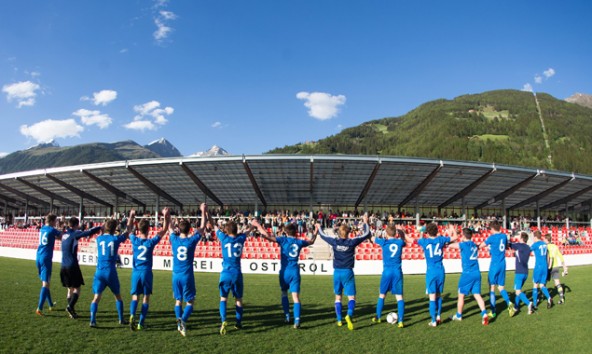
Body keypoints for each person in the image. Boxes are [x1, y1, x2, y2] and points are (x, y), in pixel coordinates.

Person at [257, 220, 317, 329]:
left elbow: (269, 237)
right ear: (296, 233)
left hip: (284, 271)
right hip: (295, 271)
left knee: (284, 293)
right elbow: (312, 241)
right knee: (296, 297)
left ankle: (287, 316)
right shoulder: (299, 242)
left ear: (285, 232)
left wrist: (259, 229)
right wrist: (316, 230)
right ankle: (297, 320)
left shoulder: (283, 240)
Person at [318, 214, 371, 330]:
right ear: (348, 233)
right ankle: (349, 315)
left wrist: (319, 226)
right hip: (348, 272)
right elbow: (366, 234)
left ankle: (339, 320)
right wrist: (366, 222)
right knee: (351, 297)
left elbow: (322, 235)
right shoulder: (351, 242)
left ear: (339, 232)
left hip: (337, 272)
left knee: (338, 297)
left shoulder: (334, 242)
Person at [214, 214, 258, 335]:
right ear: (236, 230)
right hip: (237, 273)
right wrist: (253, 224)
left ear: (227, 231)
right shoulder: (241, 238)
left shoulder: (223, 238)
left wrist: (207, 214)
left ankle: (224, 320)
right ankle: (238, 323)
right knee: (238, 300)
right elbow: (249, 230)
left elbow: (215, 228)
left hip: (225, 273)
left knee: (223, 298)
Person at [89, 211, 135, 327]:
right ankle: (121, 319)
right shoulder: (115, 239)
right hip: (110, 271)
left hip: (99, 271)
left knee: (96, 297)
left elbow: (103, 230)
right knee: (117, 296)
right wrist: (130, 217)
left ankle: (93, 320)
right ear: (115, 229)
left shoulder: (99, 239)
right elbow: (128, 230)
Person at [128, 208, 171, 331]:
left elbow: (129, 229)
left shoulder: (134, 240)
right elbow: (164, 230)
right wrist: (165, 216)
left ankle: (132, 315)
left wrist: (131, 216)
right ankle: (141, 323)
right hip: (146, 272)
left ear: (139, 229)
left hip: (136, 272)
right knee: (146, 298)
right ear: (148, 229)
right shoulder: (150, 242)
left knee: (135, 297)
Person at [170, 203, 207, 337]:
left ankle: (179, 321)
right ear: (190, 229)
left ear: (179, 229)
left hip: (175, 276)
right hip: (187, 276)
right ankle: (182, 321)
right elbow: (202, 228)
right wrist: (203, 211)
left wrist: (167, 216)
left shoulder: (173, 239)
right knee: (190, 301)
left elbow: (169, 228)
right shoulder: (191, 241)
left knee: (178, 301)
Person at [371, 224, 413, 328]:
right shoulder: (400, 242)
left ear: (386, 232)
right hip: (397, 272)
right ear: (396, 233)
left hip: (387, 272)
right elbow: (405, 240)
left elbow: (371, 238)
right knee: (399, 297)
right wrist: (401, 231)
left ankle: (378, 317)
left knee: (382, 295)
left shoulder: (383, 242)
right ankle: (401, 321)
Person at [60, 217, 102, 319]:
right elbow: (88, 233)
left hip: (63, 266)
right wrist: (100, 227)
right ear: (76, 225)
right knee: (77, 288)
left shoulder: (64, 235)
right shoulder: (75, 234)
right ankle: (70, 307)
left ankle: (71, 311)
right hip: (72, 265)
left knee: (69, 289)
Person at [417, 223, 457, 327]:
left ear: (427, 232)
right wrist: (452, 228)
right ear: (437, 231)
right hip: (440, 270)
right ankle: (438, 316)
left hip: (431, 271)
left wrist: (421, 231)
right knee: (439, 295)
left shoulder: (424, 241)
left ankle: (433, 321)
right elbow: (455, 237)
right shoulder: (441, 239)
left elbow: (415, 240)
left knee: (432, 297)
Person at [448, 228, 489, 325]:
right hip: (477, 273)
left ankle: (458, 315)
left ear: (463, 235)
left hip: (467, 273)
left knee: (461, 295)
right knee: (477, 295)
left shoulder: (463, 245)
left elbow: (450, 245)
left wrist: (452, 234)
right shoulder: (474, 245)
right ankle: (484, 314)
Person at [478, 220, 513, 318]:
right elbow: (506, 247)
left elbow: (480, 246)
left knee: (492, 287)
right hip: (503, 264)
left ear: (492, 229)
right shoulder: (504, 236)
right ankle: (509, 303)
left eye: (490, 229)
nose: (490, 231)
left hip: (494, 264)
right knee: (501, 287)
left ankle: (493, 311)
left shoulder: (491, 238)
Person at [35, 214, 63, 316]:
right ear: (51, 221)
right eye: (55, 221)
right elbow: (61, 237)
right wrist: (62, 226)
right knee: (45, 284)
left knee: (46, 283)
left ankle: (50, 304)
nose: (56, 223)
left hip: (38, 256)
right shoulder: (52, 230)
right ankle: (39, 308)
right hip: (46, 258)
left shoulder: (42, 229)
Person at [508, 232, 535, 314]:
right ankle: (516, 307)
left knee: (517, 291)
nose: (518, 238)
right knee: (518, 290)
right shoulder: (528, 247)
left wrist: (508, 237)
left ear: (522, 238)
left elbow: (509, 244)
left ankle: (528, 303)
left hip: (519, 272)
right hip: (525, 272)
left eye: (519, 237)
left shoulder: (518, 245)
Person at [530, 231, 553, 309]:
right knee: (542, 285)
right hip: (545, 267)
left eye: (533, 237)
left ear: (536, 237)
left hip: (538, 267)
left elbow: (528, 251)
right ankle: (549, 298)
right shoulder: (544, 244)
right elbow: (547, 255)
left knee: (535, 284)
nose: (533, 238)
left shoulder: (535, 244)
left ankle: (535, 304)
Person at [544, 234, 568, 305]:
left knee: (543, 284)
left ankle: (545, 297)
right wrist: (564, 268)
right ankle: (561, 298)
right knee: (557, 283)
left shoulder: (546, 247)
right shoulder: (555, 246)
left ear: (546, 239)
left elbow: (547, 258)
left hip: (549, 267)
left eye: (544, 239)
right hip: (556, 267)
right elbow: (561, 257)